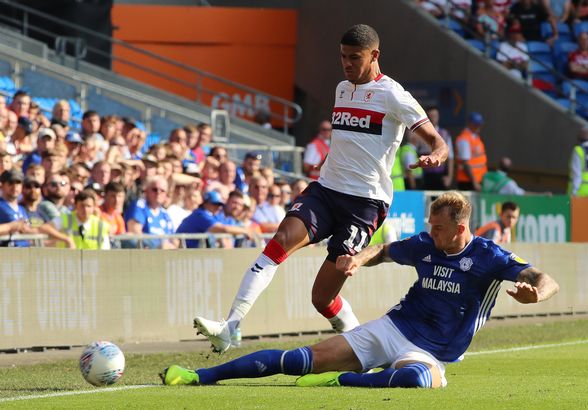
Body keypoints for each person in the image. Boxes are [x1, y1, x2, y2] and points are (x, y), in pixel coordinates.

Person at [192, 24, 448, 354]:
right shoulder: (342, 88)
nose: (347, 64)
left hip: (365, 204)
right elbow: (348, 137)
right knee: (280, 242)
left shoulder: (394, 95)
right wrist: (329, 158)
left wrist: (436, 155)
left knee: (321, 297)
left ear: (375, 56)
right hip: (326, 190)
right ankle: (230, 327)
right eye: (342, 57)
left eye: (355, 57)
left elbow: (436, 141)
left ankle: (359, 341)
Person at [161, 192, 559, 388]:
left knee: (415, 381)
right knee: (299, 359)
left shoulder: (489, 256)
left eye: (437, 228)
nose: (430, 232)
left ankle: (344, 380)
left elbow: (547, 280)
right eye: (430, 225)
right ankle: (198, 376)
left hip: (433, 351)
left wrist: (535, 294)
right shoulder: (425, 244)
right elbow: (384, 250)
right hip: (394, 327)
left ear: (459, 228)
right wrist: (357, 259)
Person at [177, 190, 255, 248]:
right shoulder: (201, 214)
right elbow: (224, 229)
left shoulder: (224, 217)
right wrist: (245, 231)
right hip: (182, 252)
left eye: (219, 204)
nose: (217, 207)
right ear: (205, 203)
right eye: (214, 204)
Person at [125, 175, 177, 249]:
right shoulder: (139, 206)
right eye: (155, 189)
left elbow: (174, 240)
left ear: (166, 194)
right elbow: (134, 233)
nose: (158, 193)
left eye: (162, 191)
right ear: (146, 191)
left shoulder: (165, 215)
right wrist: (157, 246)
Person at [422, 106, 454, 191]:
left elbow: (450, 157)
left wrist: (449, 177)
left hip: (441, 174)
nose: (433, 118)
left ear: (438, 117)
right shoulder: (421, 133)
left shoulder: (445, 134)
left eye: (435, 116)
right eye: (430, 116)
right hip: (426, 175)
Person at [455, 112, 487, 191]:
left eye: (479, 124)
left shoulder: (475, 136)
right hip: (468, 182)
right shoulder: (464, 139)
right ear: (470, 124)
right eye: (476, 124)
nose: (478, 126)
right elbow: (465, 163)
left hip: (477, 180)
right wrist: (474, 182)